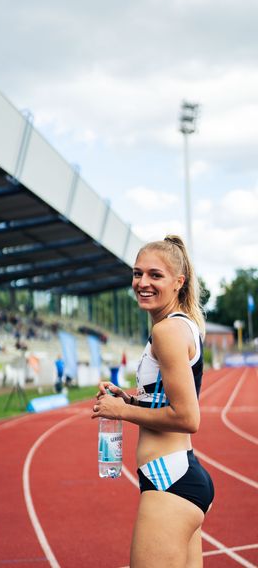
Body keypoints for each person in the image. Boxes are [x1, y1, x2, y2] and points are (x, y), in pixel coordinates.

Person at [92, 235, 214, 567]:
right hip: (179, 473)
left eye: (154, 275)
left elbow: (189, 417)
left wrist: (123, 410)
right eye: (137, 273)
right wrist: (129, 398)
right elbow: (165, 398)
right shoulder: (180, 326)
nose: (142, 283)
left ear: (179, 282)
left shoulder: (167, 331)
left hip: (169, 479)